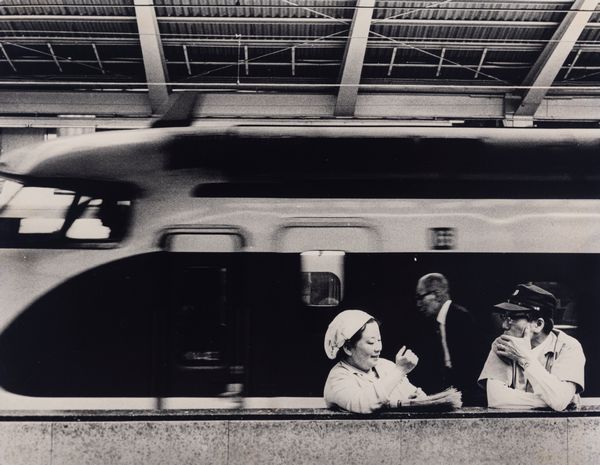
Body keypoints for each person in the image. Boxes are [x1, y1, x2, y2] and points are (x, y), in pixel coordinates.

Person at [478, 283, 585, 411]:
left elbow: (559, 400)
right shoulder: (503, 343)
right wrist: (553, 401)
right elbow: (496, 399)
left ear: (538, 325)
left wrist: (525, 358)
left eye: (512, 318)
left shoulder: (569, 347)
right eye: (504, 317)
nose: (504, 326)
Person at [323, 309, 426, 413]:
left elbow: (418, 397)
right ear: (348, 348)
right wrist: (399, 371)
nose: (378, 348)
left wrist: (414, 399)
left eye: (379, 340)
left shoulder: (386, 366)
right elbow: (364, 404)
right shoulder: (337, 378)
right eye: (371, 342)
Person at [414, 273, 485, 405]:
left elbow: (470, 367)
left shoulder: (461, 318)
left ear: (438, 295)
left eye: (420, 297)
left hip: (470, 397)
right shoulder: (441, 321)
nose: (418, 304)